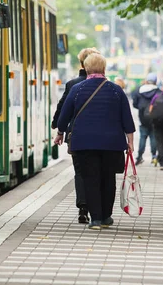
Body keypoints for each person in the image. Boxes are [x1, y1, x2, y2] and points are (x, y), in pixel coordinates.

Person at [55, 53, 135, 230]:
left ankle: (96, 219)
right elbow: (127, 119)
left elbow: (64, 116)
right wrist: (130, 142)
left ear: (86, 68)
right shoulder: (116, 90)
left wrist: (60, 132)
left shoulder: (77, 90)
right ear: (104, 69)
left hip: (84, 143)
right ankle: (106, 216)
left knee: (90, 179)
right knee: (108, 178)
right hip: (112, 144)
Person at [52, 47, 101, 224]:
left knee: (80, 172)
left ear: (82, 63)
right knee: (97, 172)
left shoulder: (73, 84)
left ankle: (83, 207)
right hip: (99, 137)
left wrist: (58, 127)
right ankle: (99, 209)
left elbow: (63, 106)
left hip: (76, 134)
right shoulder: (105, 84)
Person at [132, 73, 161, 166]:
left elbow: (135, 104)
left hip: (143, 118)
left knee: (142, 137)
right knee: (153, 137)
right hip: (154, 118)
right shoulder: (158, 91)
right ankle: (154, 156)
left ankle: (139, 156)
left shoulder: (139, 90)